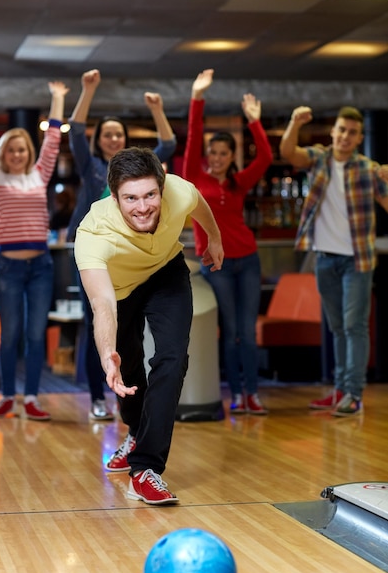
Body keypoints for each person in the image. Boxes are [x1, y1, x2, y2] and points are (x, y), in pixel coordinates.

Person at [74, 146, 223, 504]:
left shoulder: (179, 189)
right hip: (120, 291)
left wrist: (214, 238)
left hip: (167, 274)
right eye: (130, 198)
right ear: (115, 196)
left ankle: (145, 469)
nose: (142, 207)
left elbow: (199, 202)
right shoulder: (92, 234)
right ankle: (136, 431)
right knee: (128, 370)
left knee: (172, 359)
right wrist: (107, 352)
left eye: (150, 195)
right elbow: (102, 304)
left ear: (161, 187)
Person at [67, 69, 177, 422]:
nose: (113, 138)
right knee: (97, 321)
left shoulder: (139, 172)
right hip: (97, 258)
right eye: (107, 134)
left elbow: (170, 146)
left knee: (129, 334)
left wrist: (158, 110)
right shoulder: (93, 169)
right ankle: (98, 397)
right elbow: (75, 138)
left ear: (126, 139)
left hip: (132, 261)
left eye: (118, 134)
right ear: (100, 140)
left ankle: (128, 403)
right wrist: (88, 90)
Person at [280, 105, 388, 416]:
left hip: (357, 260)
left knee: (354, 327)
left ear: (359, 138)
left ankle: (353, 394)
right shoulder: (318, 158)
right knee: (338, 327)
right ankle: (340, 389)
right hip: (324, 259)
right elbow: (289, 152)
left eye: (351, 132)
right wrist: (294, 122)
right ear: (333, 132)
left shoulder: (368, 169)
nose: (344, 136)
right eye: (341, 130)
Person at [0, 81, 69, 421]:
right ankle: (7, 395)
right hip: (9, 269)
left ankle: (31, 398)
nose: (17, 155)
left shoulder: (39, 176)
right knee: (10, 334)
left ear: (29, 154)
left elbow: (53, 142)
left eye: (23, 150)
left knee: (34, 334)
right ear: (3, 153)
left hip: (41, 266)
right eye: (11, 150)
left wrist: (57, 100)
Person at [182, 69, 273, 416]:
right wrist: (197, 98)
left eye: (224, 153)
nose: (217, 157)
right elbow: (191, 138)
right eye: (213, 152)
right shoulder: (195, 177)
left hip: (248, 259)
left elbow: (264, 158)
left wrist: (254, 122)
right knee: (231, 330)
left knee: (248, 332)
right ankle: (235, 393)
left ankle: (252, 394)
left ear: (232, 156)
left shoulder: (239, 182)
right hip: (216, 264)